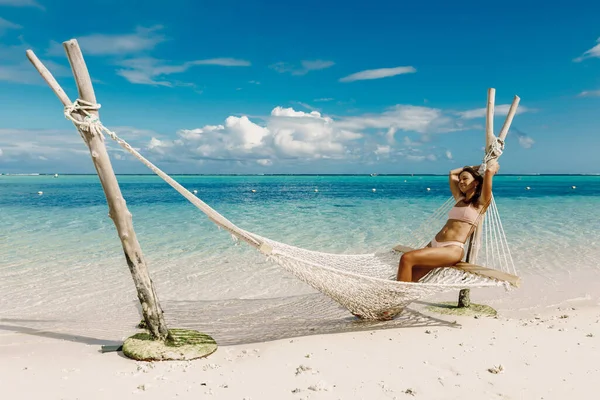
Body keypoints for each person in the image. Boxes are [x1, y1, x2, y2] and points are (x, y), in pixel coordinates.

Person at [396, 160, 500, 282]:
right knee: (412, 277)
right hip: (434, 244)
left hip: (452, 249)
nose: (460, 182)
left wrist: (487, 170)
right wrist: (478, 167)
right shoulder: (459, 199)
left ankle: (397, 292)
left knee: (406, 258)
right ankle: (396, 298)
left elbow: (488, 173)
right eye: (460, 179)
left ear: (476, 182)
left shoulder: (480, 204)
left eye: (465, 178)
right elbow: (452, 174)